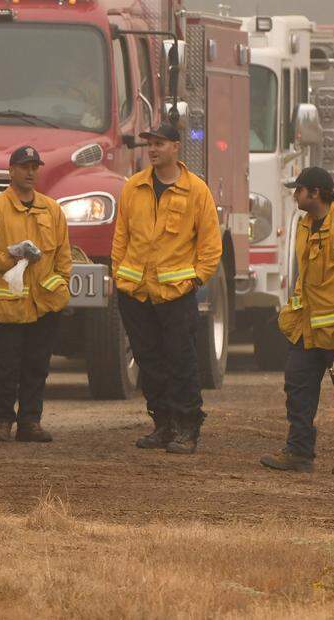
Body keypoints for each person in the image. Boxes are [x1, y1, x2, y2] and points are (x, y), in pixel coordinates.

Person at [111, 122, 221, 454]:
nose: (153, 149)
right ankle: (163, 424)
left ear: (176, 146)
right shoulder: (133, 187)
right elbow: (121, 238)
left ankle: (188, 426)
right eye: (150, 144)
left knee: (181, 361)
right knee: (149, 361)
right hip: (135, 293)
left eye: (160, 143)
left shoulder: (196, 190)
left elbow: (210, 246)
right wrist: (120, 276)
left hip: (176, 296)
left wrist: (195, 279)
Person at [261, 166, 334, 476]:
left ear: (315, 193)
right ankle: (299, 452)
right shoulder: (304, 225)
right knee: (297, 388)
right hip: (308, 330)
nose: (295, 195)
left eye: (299, 190)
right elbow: (306, 278)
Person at [0, 145, 71, 442]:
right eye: (24, 167)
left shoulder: (52, 209)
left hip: (45, 302)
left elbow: (64, 254)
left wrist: (61, 284)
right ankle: (2, 421)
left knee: (37, 366)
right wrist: (10, 258)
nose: (30, 172)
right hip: (10, 304)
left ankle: (30, 422)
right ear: (11, 171)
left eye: (34, 167)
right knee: (8, 366)